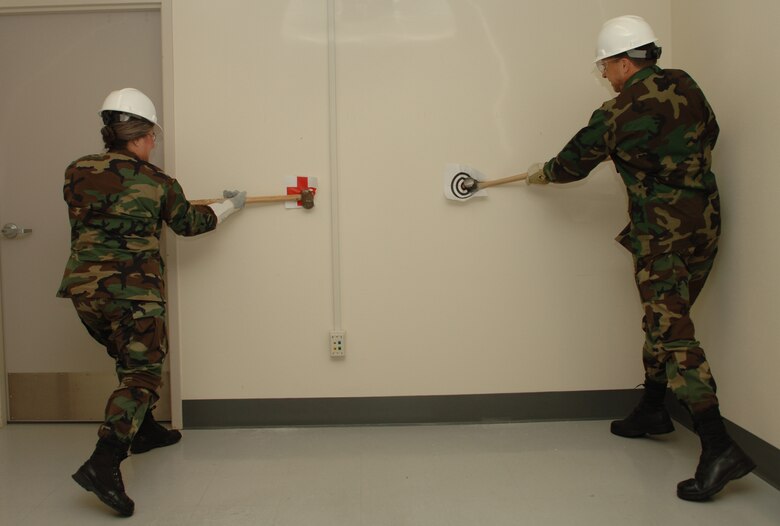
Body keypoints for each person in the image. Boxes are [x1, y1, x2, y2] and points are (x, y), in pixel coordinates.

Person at [525, 15, 755, 500]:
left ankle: (718, 445)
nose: (605, 75)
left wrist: (541, 174)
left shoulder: (615, 114)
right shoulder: (686, 84)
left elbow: (570, 166)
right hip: (705, 224)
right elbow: (709, 133)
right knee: (664, 318)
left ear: (624, 63)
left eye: (605, 66)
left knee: (673, 333)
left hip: (662, 239)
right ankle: (653, 408)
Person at [57, 87, 246, 516]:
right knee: (142, 374)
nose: (154, 144)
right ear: (141, 135)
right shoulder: (158, 181)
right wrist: (230, 206)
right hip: (132, 294)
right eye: (153, 136)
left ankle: (143, 431)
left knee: (128, 360)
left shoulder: (76, 171)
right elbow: (191, 223)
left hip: (84, 293)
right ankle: (103, 463)